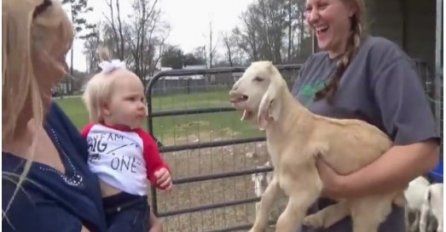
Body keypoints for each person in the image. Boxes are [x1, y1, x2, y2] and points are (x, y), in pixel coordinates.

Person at [2, 1, 164, 232]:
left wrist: (133, 210)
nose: (64, 70)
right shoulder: (10, 192)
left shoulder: (48, 116)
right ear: (18, 62)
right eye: (58, 57)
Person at [291, 0, 440, 231]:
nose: (313, 16)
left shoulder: (380, 58)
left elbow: (423, 152)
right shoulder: (311, 66)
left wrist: (342, 186)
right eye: (308, 9)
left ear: (352, 8)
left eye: (322, 5)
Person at [81, 48, 173, 232]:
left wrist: (162, 174)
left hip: (131, 207)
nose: (141, 105)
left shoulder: (142, 139)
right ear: (106, 107)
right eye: (131, 99)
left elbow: (155, 167)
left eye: (142, 99)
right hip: (96, 207)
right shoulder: (91, 132)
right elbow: (73, 158)